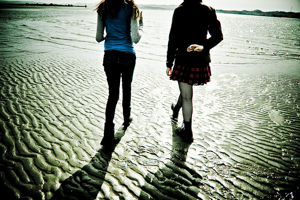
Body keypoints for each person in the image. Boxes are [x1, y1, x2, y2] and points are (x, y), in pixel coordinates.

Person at [166, 0, 223, 143]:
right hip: (199, 60)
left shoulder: (179, 10)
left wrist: (169, 62)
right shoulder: (208, 10)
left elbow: (173, 38)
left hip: (183, 59)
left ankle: (187, 131)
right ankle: (176, 109)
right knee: (186, 92)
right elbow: (218, 36)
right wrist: (203, 46)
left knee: (186, 95)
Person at [95, 0, 143, 146]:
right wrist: (141, 24)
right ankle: (126, 118)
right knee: (126, 88)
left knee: (113, 94)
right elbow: (136, 38)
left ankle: (107, 134)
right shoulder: (132, 7)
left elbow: (98, 37)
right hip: (127, 55)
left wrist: (109, 36)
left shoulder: (103, 7)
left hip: (109, 55)